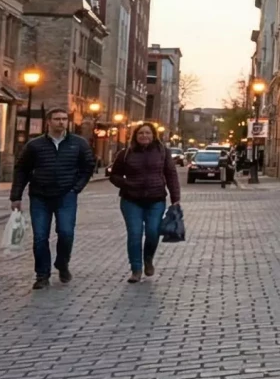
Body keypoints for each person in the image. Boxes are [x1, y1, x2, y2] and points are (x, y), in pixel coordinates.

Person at [10, 108, 97, 290]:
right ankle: (42, 274)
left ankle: (62, 263)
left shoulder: (78, 144)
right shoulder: (35, 145)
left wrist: (76, 187)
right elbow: (22, 170)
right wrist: (16, 196)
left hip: (66, 195)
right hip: (40, 196)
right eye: (57, 119)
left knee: (66, 233)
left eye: (64, 119)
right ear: (48, 122)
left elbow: (88, 166)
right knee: (40, 237)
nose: (61, 122)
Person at [108, 122, 180, 283]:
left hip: (156, 199)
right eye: (141, 133)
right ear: (135, 136)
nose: (144, 136)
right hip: (131, 200)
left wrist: (176, 199)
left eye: (148, 133)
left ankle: (148, 259)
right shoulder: (125, 153)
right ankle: (136, 269)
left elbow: (171, 175)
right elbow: (114, 175)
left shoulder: (162, 152)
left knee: (153, 232)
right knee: (134, 234)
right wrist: (126, 184)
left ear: (154, 136)